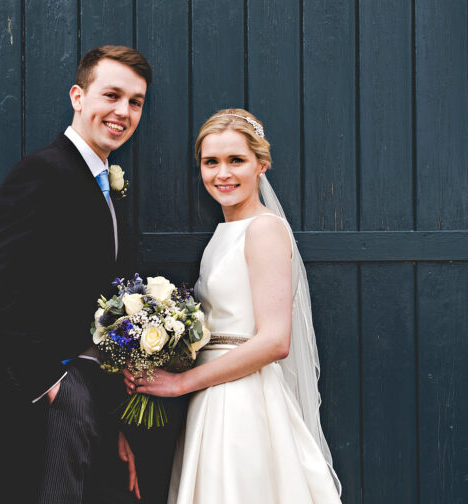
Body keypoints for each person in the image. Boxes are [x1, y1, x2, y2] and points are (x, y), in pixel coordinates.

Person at [124, 109, 342, 503]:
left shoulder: (264, 230)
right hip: (214, 396)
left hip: (243, 402)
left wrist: (179, 384)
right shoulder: (225, 233)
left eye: (235, 160)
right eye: (211, 162)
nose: (222, 173)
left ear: (262, 164)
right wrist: (160, 361)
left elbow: (275, 341)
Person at [0, 45, 151, 503]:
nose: (123, 111)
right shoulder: (42, 173)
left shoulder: (109, 185)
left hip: (95, 394)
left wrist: (110, 418)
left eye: (135, 102)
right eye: (111, 95)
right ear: (78, 96)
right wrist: (56, 388)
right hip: (45, 394)